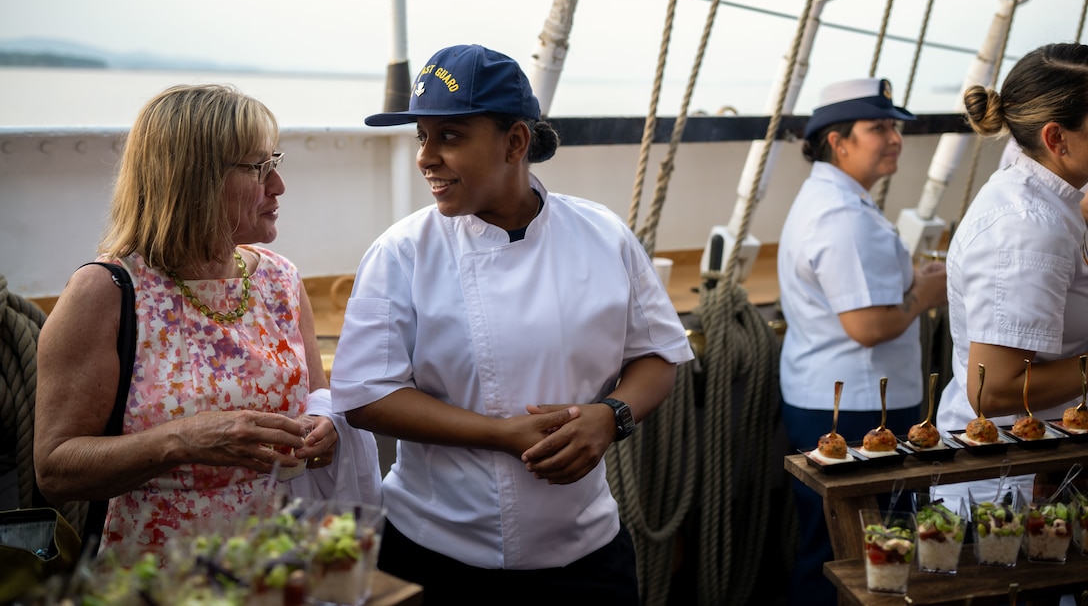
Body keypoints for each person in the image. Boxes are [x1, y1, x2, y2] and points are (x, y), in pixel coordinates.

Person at [331, 43, 693, 603]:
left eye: (449, 136)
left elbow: (657, 353)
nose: (426, 156)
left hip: (585, 552)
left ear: (515, 142)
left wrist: (610, 416)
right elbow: (365, 394)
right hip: (436, 551)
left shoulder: (603, 235)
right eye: (422, 136)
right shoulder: (402, 251)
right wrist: (501, 435)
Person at [34, 83, 380, 562]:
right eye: (261, 169)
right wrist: (183, 441)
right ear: (195, 181)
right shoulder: (107, 293)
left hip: (285, 560)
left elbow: (316, 399)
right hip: (161, 573)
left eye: (275, 164)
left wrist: (326, 428)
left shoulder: (280, 280)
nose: (278, 186)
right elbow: (55, 471)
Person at [777, 77, 948, 606]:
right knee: (859, 555)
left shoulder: (834, 200)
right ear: (838, 140)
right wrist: (925, 291)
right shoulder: (842, 216)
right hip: (855, 410)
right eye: (879, 127)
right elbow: (869, 326)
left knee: (840, 547)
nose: (894, 137)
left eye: (894, 126)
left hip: (837, 398)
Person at [934, 42, 1088, 503]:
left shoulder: (1053, 203)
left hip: (1040, 466)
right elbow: (994, 388)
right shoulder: (1027, 228)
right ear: (1056, 138)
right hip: (1006, 491)